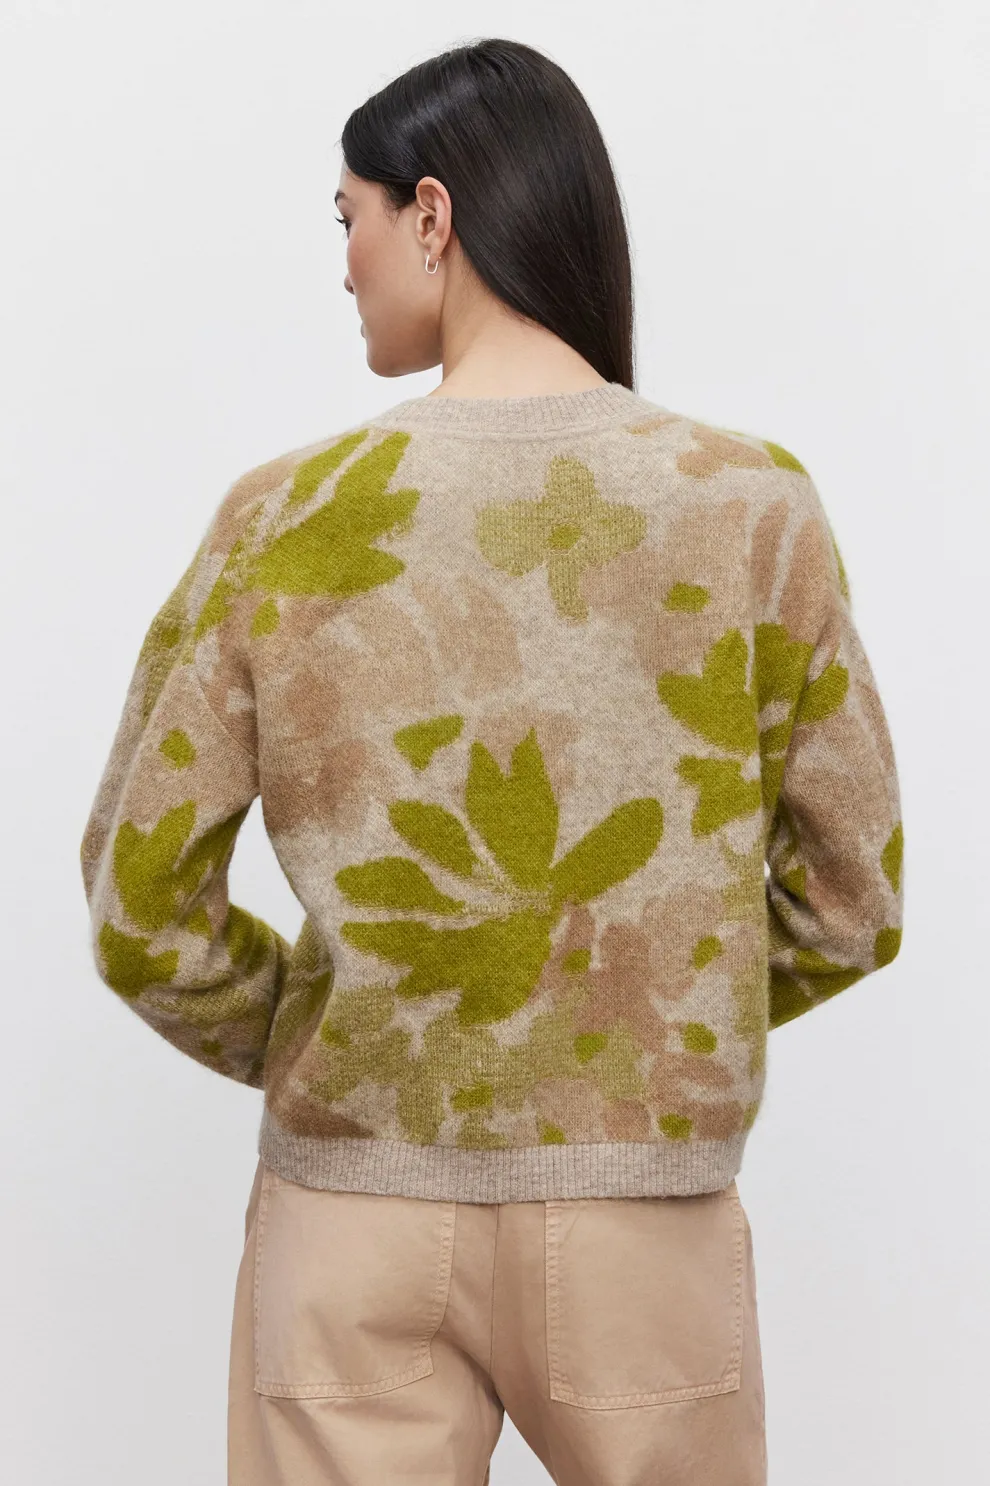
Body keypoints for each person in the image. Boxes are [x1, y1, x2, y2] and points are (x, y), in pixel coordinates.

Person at [78, 36, 904, 1486]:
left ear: (432, 215)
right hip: (641, 1226)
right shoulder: (749, 505)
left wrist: (325, 1033)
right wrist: (649, 1009)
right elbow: (854, 899)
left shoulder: (284, 516)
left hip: (351, 1217)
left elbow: (142, 903)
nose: (342, 264)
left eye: (347, 216)